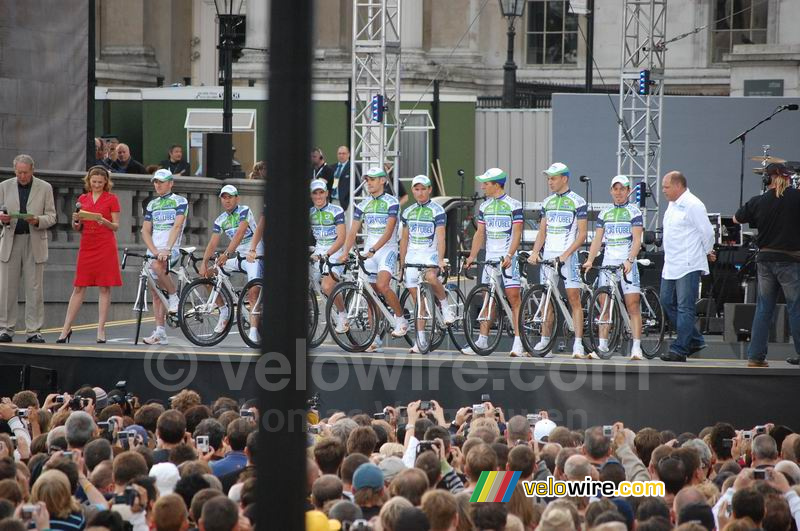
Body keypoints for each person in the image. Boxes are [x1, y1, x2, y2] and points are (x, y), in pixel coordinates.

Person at [733, 162, 800, 367]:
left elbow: (736, 219)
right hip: (790, 260)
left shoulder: (759, 201)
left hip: (765, 261)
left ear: (767, 179)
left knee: (764, 309)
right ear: (788, 178)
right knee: (795, 308)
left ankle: (755, 356)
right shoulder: (797, 198)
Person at [341, 167, 408, 351]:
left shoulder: (392, 202)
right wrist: (345, 252)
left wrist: (373, 249)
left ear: (382, 181)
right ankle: (374, 338)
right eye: (367, 179)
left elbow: (388, 232)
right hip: (370, 251)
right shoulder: (363, 204)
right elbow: (352, 231)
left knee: (383, 286)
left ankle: (401, 320)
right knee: (370, 294)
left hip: (387, 249)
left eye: (372, 179)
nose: (368, 183)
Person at [528, 162, 589, 358]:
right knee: (547, 299)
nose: (550, 181)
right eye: (548, 178)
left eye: (553, 178)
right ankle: (545, 343)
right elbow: (542, 232)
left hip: (568, 258)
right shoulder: (547, 202)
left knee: (574, 299)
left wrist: (565, 255)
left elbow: (582, 235)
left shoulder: (577, 201)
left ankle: (578, 344)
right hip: (548, 257)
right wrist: (535, 252)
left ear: (565, 179)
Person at [57, 166, 122, 344]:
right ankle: (65, 328)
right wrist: (76, 221)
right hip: (87, 245)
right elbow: (77, 228)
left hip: (105, 245)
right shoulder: (82, 198)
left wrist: (103, 220)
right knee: (79, 286)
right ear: (89, 181)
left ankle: (100, 329)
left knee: (104, 286)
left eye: (100, 182)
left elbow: (116, 226)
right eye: (94, 182)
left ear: (106, 182)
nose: (97, 185)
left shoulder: (112, 199)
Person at [464, 168, 525, 356]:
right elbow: (479, 233)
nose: (482, 186)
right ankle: (482, 340)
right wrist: (472, 256)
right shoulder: (484, 207)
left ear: (497, 185)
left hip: (508, 257)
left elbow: (517, 233)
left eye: (486, 183)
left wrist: (509, 255)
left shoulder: (513, 205)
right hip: (490, 257)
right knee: (487, 299)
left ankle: (519, 341)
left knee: (514, 298)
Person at [583, 175, 644, 360]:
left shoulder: (634, 212)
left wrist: (630, 260)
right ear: (611, 191)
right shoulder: (605, 213)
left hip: (627, 264)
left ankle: (636, 348)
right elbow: (597, 240)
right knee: (604, 307)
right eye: (615, 189)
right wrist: (590, 260)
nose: (618, 192)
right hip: (608, 264)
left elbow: (637, 241)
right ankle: (602, 346)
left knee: (633, 306)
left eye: (622, 189)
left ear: (628, 191)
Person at [659, 171, 715, 363]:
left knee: (685, 306)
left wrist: (708, 251)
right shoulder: (672, 205)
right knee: (666, 301)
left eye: (666, 187)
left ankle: (680, 349)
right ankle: (695, 339)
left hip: (688, 262)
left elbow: (707, 231)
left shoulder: (693, 205)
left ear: (678, 186)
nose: (663, 191)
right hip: (672, 262)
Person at [0, 154, 57, 343]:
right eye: (18, 172)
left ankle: (33, 331)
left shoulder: (45, 187)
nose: (22, 176)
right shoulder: (4, 186)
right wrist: (3, 218)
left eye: (25, 172)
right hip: (11, 240)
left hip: (34, 241)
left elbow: (52, 217)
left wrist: (37, 220)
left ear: (32, 170)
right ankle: (6, 328)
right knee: (6, 288)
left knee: (34, 288)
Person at [399, 175, 456, 353]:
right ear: (413, 191)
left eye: (423, 188)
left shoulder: (437, 210)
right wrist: (401, 265)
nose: (420, 192)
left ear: (430, 189)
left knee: (431, 276)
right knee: (418, 304)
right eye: (416, 189)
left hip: (430, 255)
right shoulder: (408, 212)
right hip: (412, 258)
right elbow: (404, 240)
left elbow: (441, 236)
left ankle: (445, 306)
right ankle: (420, 339)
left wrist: (440, 259)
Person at [199, 185, 263, 344]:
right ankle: (224, 310)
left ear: (237, 198)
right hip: (238, 257)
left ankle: (254, 332)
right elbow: (213, 243)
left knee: (253, 291)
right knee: (208, 275)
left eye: (230, 197)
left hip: (254, 256)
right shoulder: (220, 219)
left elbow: (240, 233)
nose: (227, 200)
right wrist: (204, 262)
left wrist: (226, 254)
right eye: (224, 197)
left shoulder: (244, 210)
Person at [140, 170, 188, 345]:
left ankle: (174, 296)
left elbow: (177, 226)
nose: (157, 185)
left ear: (170, 183)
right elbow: (145, 231)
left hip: (171, 248)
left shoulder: (180, 201)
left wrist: (167, 249)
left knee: (158, 267)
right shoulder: (152, 204)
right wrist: (153, 251)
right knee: (155, 291)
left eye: (161, 182)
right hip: (154, 250)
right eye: (155, 182)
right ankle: (160, 332)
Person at [309, 179, 347, 334]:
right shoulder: (310, 212)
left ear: (326, 193)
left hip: (335, 251)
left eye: (321, 192)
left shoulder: (336, 210)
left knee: (326, 286)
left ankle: (342, 315)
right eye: (315, 193)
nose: (318, 196)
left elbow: (341, 238)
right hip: (318, 250)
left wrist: (327, 254)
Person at [331, 146, 355, 211]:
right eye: (339, 153)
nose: (341, 155)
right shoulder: (332, 167)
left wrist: (349, 197)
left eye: (343, 153)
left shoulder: (353, 167)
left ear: (348, 155)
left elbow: (358, 185)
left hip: (346, 203)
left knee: (346, 221)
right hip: (332, 201)